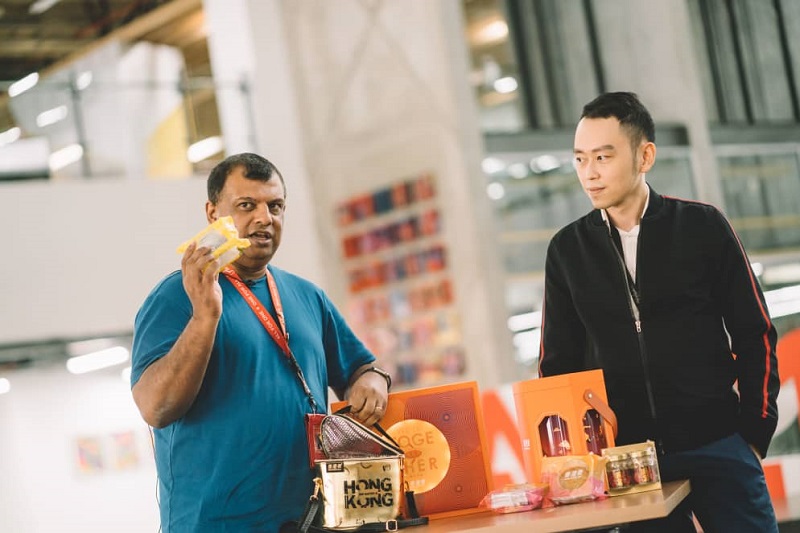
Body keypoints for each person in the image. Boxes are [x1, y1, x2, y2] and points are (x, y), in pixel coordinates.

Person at [538, 92, 780, 532]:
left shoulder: (703, 227)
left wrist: (754, 432)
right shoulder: (567, 251)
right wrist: (578, 460)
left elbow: (755, 331)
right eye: (579, 159)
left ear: (644, 155)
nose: (588, 174)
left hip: (719, 443)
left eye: (602, 157)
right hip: (628, 464)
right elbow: (558, 365)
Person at [130, 153, 391, 532]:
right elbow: (156, 407)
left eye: (275, 206)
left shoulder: (306, 295)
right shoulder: (176, 296)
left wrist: (372, 381)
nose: (264, 218)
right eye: (246, 206)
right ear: (212, 213)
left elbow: (361, 368)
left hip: (312, 518)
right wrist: (205, 317)